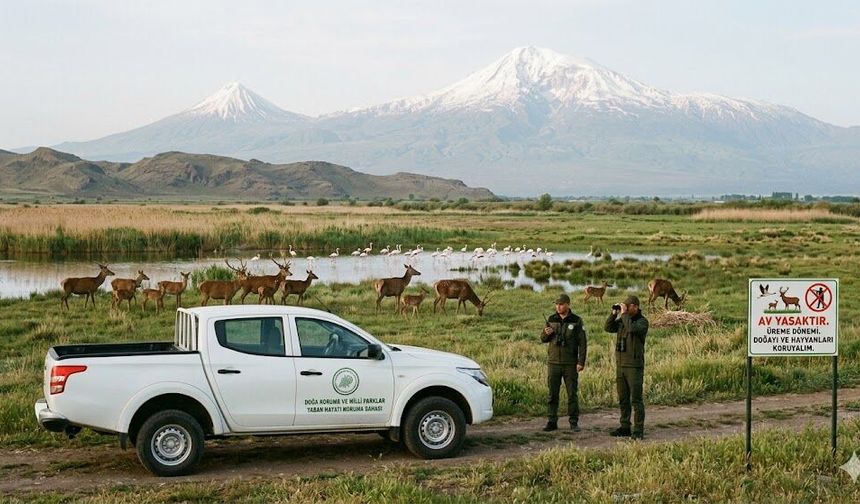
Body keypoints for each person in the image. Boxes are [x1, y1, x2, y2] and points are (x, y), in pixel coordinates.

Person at [540, 293, 587, 432]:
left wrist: (581, 362)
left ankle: (573, 422)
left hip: (570, 363)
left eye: (561, 304)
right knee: (552, 394)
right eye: (556, 304)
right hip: (553, 362)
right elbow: (543, 339)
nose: (558, 307)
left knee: (572, 394)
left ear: (568, 304)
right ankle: (551, 421)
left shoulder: (576, 320)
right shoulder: (551, 319)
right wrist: (546, 333)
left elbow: (582, 343)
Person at [605, 295, 649, 439]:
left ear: (635, 307)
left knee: (636, 400)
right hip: (621, 365)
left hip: (634, 366)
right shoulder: (623, 320)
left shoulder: (642, 322)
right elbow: (608, 327)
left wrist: (623, 314)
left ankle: (638, 431)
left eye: (627, 306)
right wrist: (614, 314)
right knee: (623, 399)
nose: (625, 308)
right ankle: (625, 427)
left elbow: (631, 329)